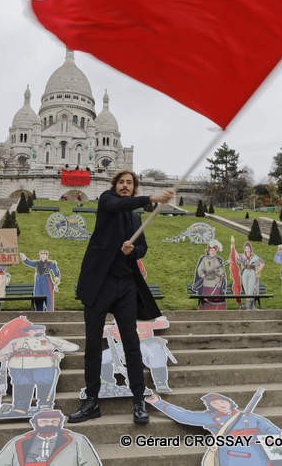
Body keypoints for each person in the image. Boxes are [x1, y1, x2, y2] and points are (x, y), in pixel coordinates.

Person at [68, 170, 173, 425]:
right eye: (122, 182)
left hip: (125, 285)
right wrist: (152, 197)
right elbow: (117, 204)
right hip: (98, 284)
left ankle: (138, 400)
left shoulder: (136, 219)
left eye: (130, 183)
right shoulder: (106, 201)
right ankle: (92, 401)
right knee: (93, 344)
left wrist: (132, 250)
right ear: (114, 186)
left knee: (131, 343)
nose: (126, 186)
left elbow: (143, 249)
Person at [146, 391, 282, 466]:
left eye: (222, 401)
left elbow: (274, 432)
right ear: (211, 407)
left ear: (229, 402)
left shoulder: (251, 417)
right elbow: (185, 416)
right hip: (233, 455)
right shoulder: (211, 418)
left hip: (260, 454)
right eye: (215, 404)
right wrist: (159, 403)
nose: (220, 405)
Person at [0, 410, 101, 466]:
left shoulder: (77, 440)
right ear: (35, 424)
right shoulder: (17, 442)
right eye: (44, 422)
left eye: (54, 421)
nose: (49, 424)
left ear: (60, 423)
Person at [236, 241, 264, 310]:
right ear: (244, 249)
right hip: (244, 273)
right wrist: (233, 245)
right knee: (246, 290)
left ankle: (248, 307)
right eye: (246, 248)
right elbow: (235, 255)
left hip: (252, 272)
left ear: (250, 249)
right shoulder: (242, 256)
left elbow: (262, 263)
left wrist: (257, 270)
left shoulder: (255, 256)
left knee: (250, 290)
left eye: (248, 248)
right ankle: (251, 307)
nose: (247, 249)